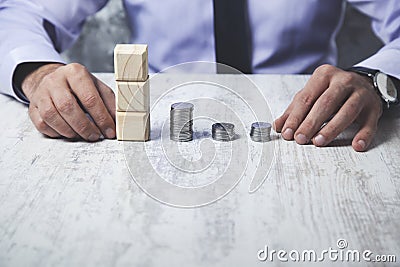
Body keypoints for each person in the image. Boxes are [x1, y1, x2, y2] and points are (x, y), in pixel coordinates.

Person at [0, 1, 399, 152]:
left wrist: (376, 79)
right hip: (160, 130)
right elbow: (20, 14)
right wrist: (38, 71)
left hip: (306, 126)